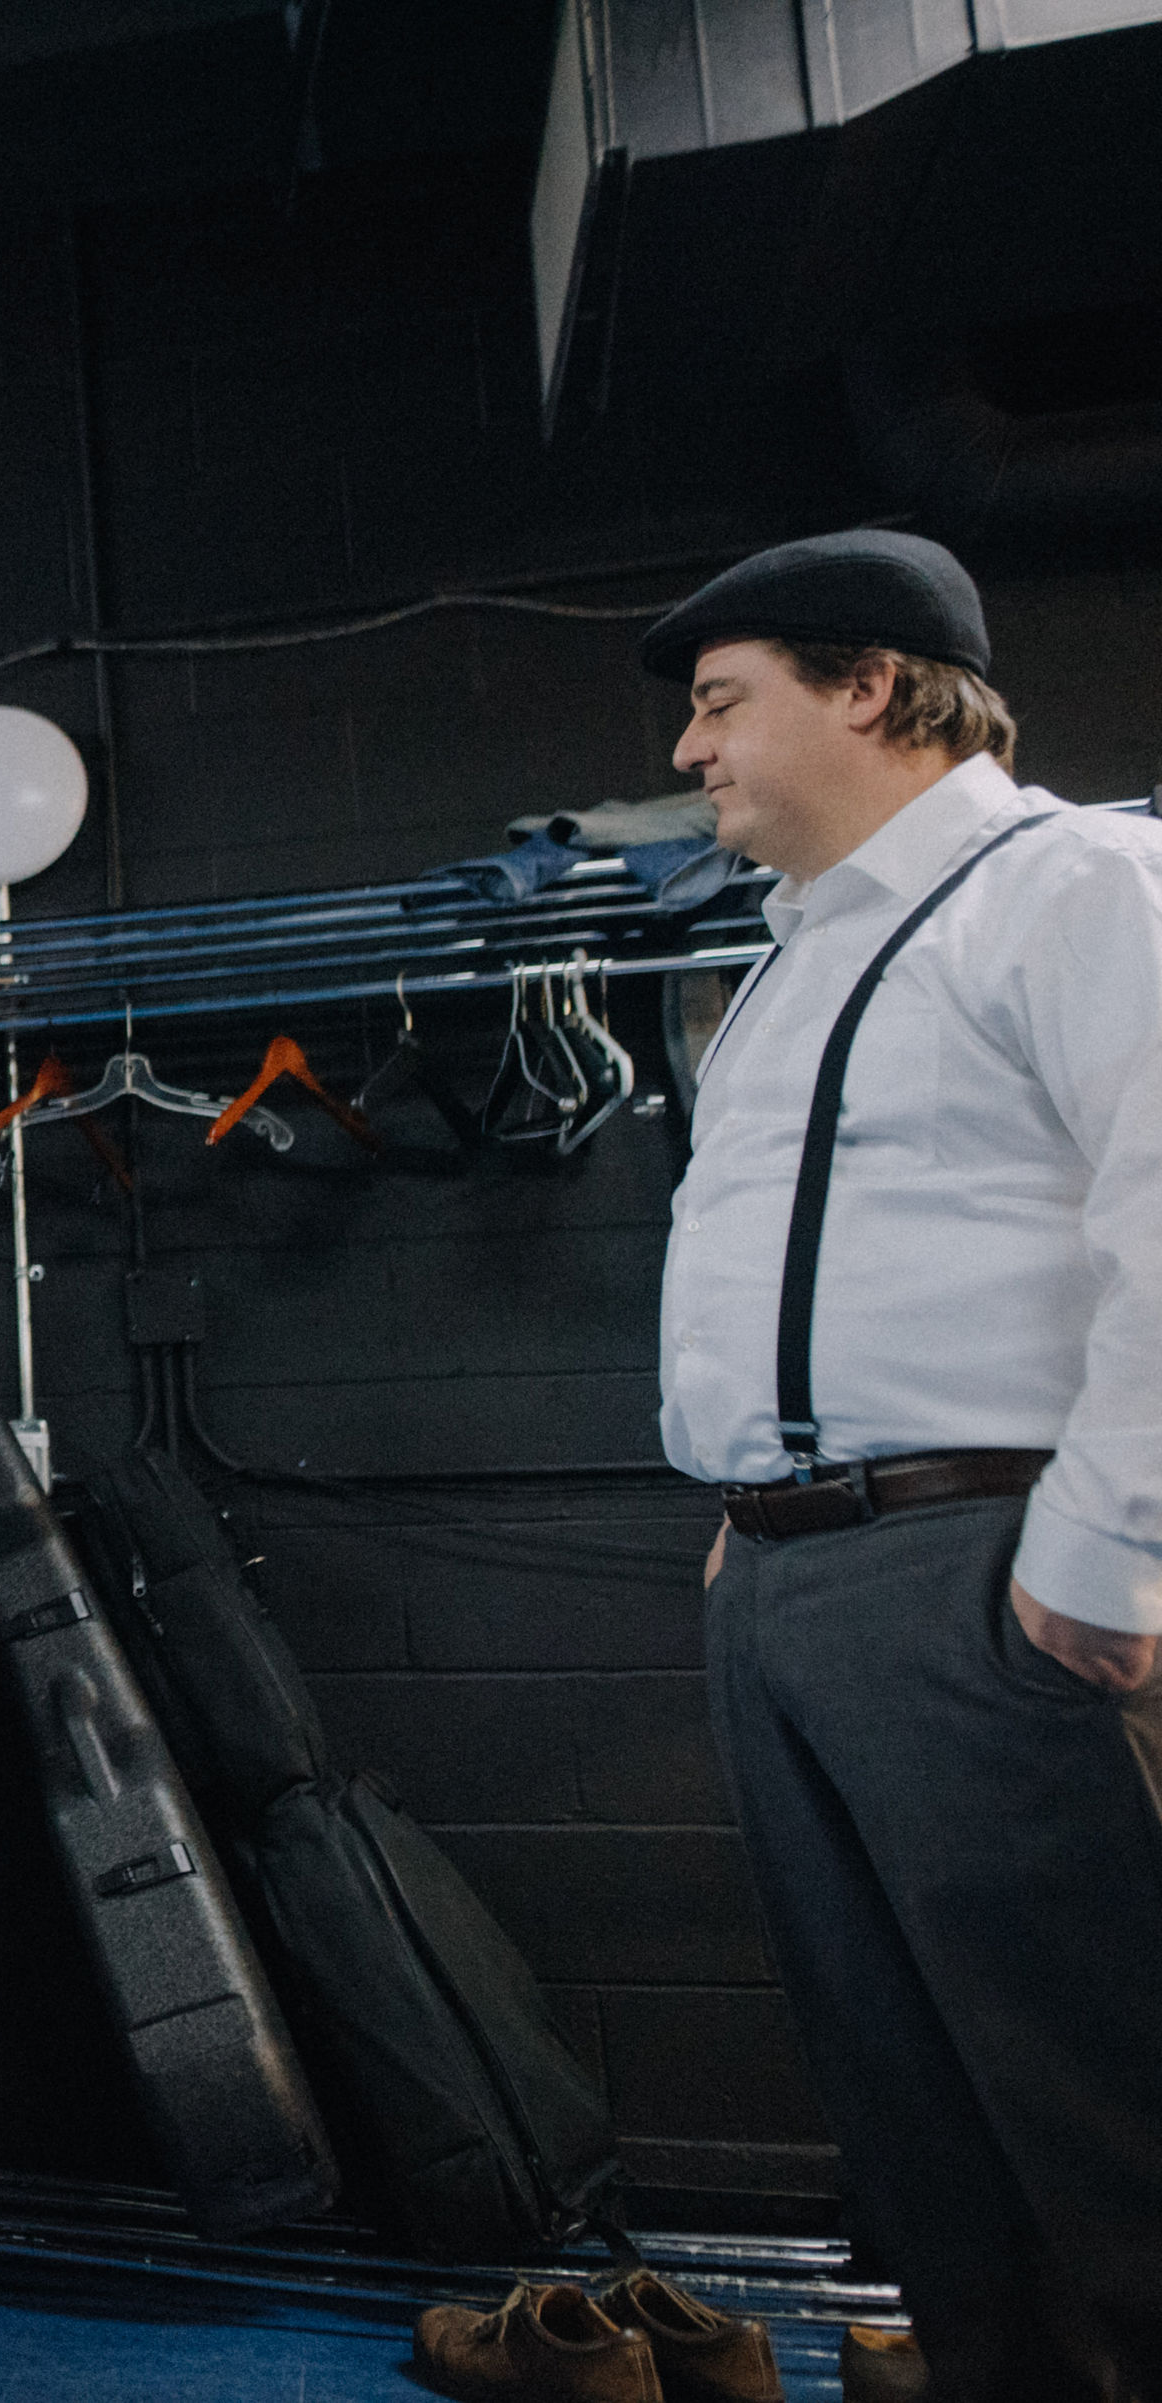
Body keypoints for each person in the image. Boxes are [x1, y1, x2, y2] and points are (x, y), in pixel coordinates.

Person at [650, 528, 1162, 2403]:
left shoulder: (1082, 882)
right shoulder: (795, 956)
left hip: (994, 1574)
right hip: (798, 1586)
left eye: (723, 701)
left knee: (1107, 2117)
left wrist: (1102, 1559)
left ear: (872, 686)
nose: (692, 748)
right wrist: (756, 1517)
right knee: (919, 2123)